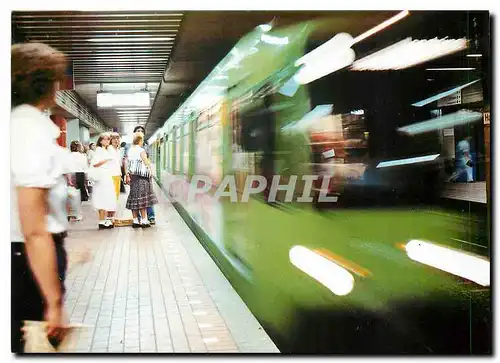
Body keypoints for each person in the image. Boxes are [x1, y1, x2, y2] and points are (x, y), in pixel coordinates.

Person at [11, 42, 69, 353]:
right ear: (45, 84)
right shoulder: (26, 130)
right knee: (35, 348)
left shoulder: (24, 125)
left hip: (26, 258)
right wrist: (53, 301)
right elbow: (33, 229)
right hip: (26, 263)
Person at [125, 132, 158, 228]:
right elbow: (146, 161)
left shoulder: (130, 150)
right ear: (140, 140)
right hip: (142, 177)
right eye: (142, 140)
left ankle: (135, 221)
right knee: (142, 199)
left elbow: (127, 163)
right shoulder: (141, 150)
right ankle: (144, 221)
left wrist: (127, 174)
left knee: (134, 198)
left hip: (133, 176)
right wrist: (150, 170)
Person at [91, 133, 117, 229]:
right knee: (102, 198)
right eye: (104, 139)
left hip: (106, 176)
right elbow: (95, 164)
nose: (107, 141)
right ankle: (101, 221)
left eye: (108, 139)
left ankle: (104, 220)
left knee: (106, 198)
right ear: (100, 141)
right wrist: (107, 160)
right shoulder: (98, 150)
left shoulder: (106, 150)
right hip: (101, 177)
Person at [132, 125, 156, 225]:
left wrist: (150, 170)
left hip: (145, 174)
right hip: (135, 175)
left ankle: (150, 216)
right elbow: (127, 160)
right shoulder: (131, 147)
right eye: (138, 131)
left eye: (142, 131)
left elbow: (148, 159)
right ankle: (138, 218)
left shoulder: (146, 146)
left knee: (148, 196)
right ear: (134, 133)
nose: (140, 132)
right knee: (136, 196)